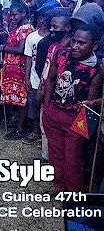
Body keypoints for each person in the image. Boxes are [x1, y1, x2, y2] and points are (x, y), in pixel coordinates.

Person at [43, 25, 101, 193]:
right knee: (56, 154)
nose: (75, 46)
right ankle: (59, 185)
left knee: (73, 160)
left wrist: (83, 126)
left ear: (94, 46)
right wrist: (47, 107)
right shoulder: (62, 55)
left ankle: (73, 194)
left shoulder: (97, 68)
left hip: (77, 119)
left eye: (81, 43)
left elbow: (91, 98)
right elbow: (51, 79)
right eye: (74, 41)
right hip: (54, 111)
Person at [36, 8, 72, 162]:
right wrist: (41, 87)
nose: (51, 30)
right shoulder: (52, 46)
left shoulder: (69, 49)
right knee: (45, 125)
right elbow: (45, 68)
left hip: (59, 95)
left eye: (56, 27)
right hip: (46, 89)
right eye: (51, 26)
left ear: (67, 27)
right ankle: (47, 157)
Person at [0, 0, 35, 140]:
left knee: (22, 99)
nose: (12, 18)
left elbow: (21, 49)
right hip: (14, 68)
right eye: (10, 16)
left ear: (23, 13)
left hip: (20, 69)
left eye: (14, 15)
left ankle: (21, 129)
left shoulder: (25, 29)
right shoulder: (19, 28)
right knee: (18, 99)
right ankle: (19, 125)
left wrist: (4, 48)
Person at [22, 4, 52, 144]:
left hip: (48, 77)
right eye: (40, 18)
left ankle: (45, 131)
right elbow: (28, 59)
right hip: (34, 75)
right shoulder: (31, 37)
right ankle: (35, 129)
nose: (42, 21)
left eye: (45, 18)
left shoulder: (53, 38)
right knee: (33, 103)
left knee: (46, 104)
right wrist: (27, 77)